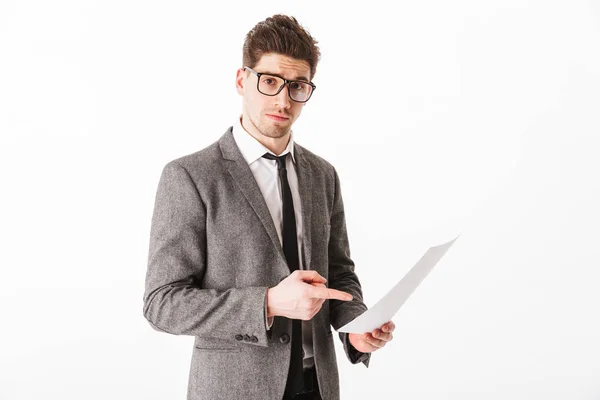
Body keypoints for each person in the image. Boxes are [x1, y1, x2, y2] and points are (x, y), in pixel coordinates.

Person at [143, 14, 395, 400]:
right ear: (242, 79)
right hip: (235, 389)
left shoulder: (322, 175)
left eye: (297, 86)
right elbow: (163, 303)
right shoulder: (190, 176)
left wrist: (355, 328)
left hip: (317, 387)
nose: (283, 100)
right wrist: (270, 302)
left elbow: (339, 275)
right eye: (270, 81)